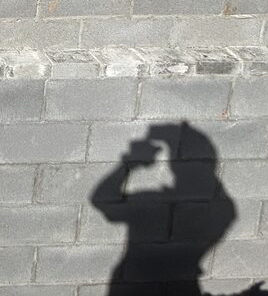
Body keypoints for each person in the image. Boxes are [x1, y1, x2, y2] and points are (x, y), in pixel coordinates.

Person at [90, 123, 234, 296]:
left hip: (135, 285)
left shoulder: (152, 203)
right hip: (182, 287)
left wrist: (128, 164)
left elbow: (102, 200)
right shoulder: (226, 209)